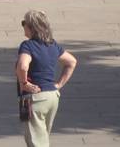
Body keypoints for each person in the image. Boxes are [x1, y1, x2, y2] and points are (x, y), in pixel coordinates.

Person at [16, 10, 77, 147]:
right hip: (52, 97)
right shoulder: (52, 44)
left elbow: (23, 66)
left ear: (31, 27)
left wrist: (24, 83)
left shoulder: (28, 45)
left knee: (37, 142)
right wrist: (59, 84)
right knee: (42, 138)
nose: (23, 26)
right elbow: (71, 62)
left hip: (35, 98)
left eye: (24, 23)